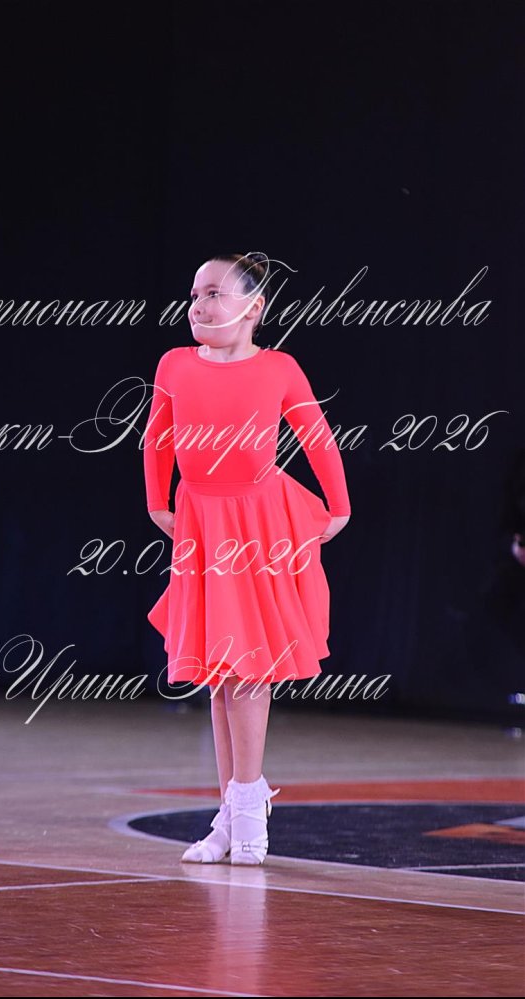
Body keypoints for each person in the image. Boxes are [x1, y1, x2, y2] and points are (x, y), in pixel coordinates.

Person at [143, 251, 351, 865]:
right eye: (194, 295)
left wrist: (339, 506)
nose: (199, 305)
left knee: (249, 668)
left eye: (214, 293)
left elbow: (316, 436)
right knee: (219, 674)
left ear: (254, 307)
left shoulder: (279, 367)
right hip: (202, 521)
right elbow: (157, 435)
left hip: (259, 522)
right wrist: (157, 501)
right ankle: (234, 814)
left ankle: (246, 811)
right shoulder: (175, 364)